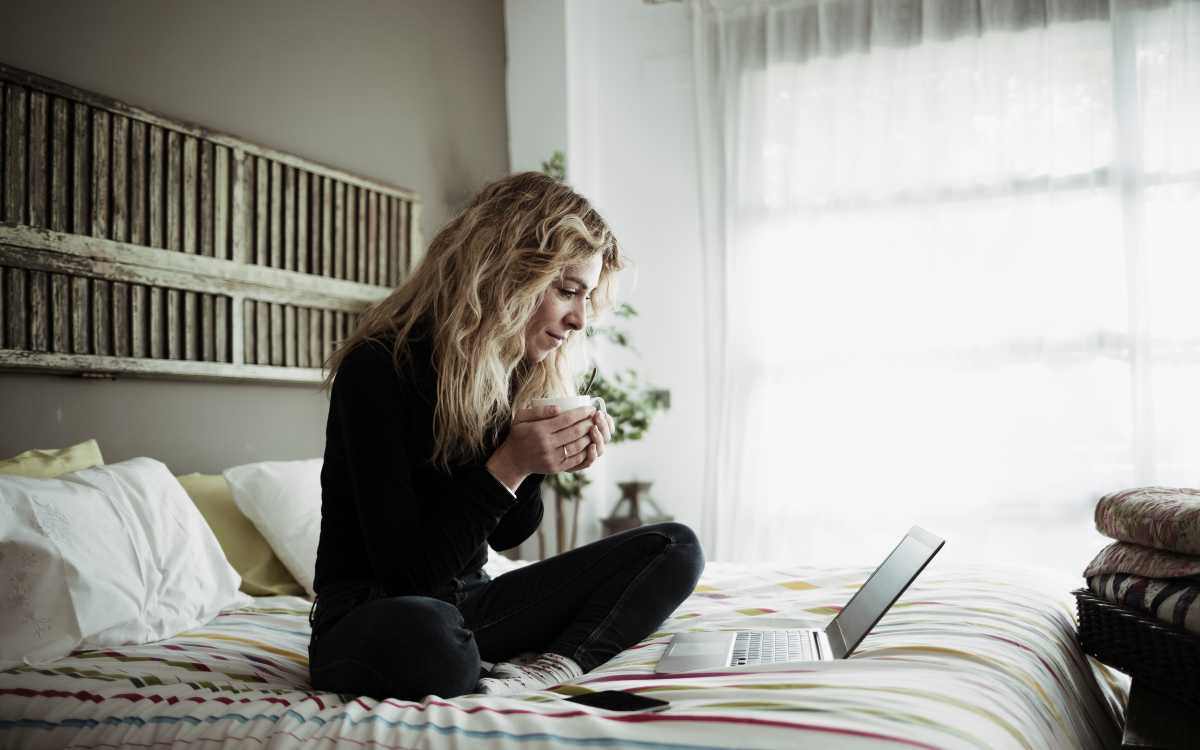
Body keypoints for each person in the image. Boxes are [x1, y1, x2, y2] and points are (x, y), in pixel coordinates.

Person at [307, 171, 704, 700]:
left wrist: (540, 458)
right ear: (507, 273)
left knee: (675, 546)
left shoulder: (509, 371)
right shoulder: (379, 367)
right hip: (374, 615)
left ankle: (548, 669)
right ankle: (474, 662)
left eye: (585, 298)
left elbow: (506, 535)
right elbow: (407, 576)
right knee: (431, 638)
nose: (579, 319)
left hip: (471, 605)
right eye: (568, 292)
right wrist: (511, 465)